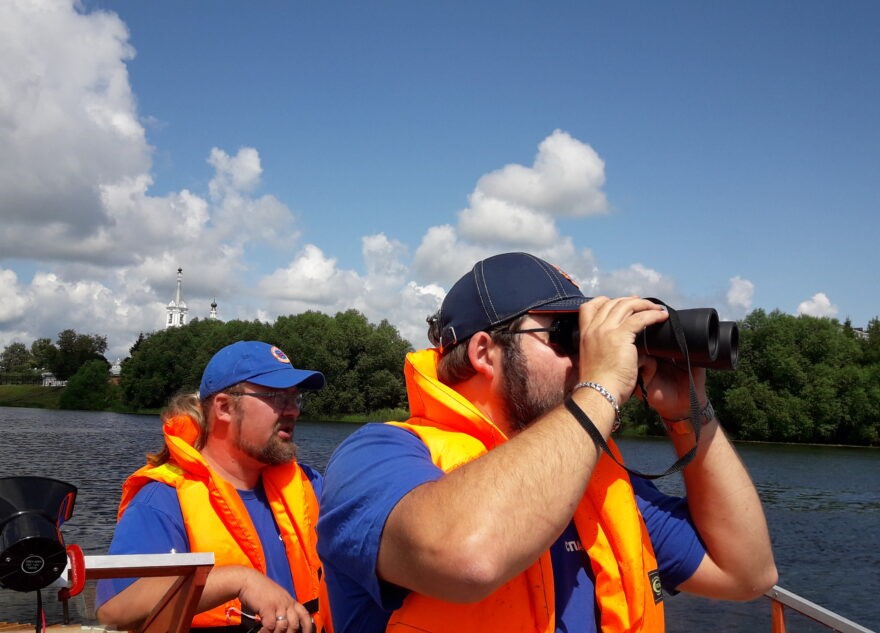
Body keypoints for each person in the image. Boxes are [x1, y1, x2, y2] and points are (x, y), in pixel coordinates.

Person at [316, 252, 777, 633]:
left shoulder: (597, 482)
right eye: (566, 337)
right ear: (483, 353)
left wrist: (689, 412)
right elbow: (466, 556)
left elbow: (745, 573)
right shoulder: (377, 455)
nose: (586, 357)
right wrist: (600, 386)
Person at [96, 341, 332, 633]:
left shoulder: (311, 486)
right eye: (275, 397)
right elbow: (116, 609)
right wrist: (238, 580)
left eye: (295, 398)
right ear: (223, 407)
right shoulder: (164, 501)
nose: (292, 411)